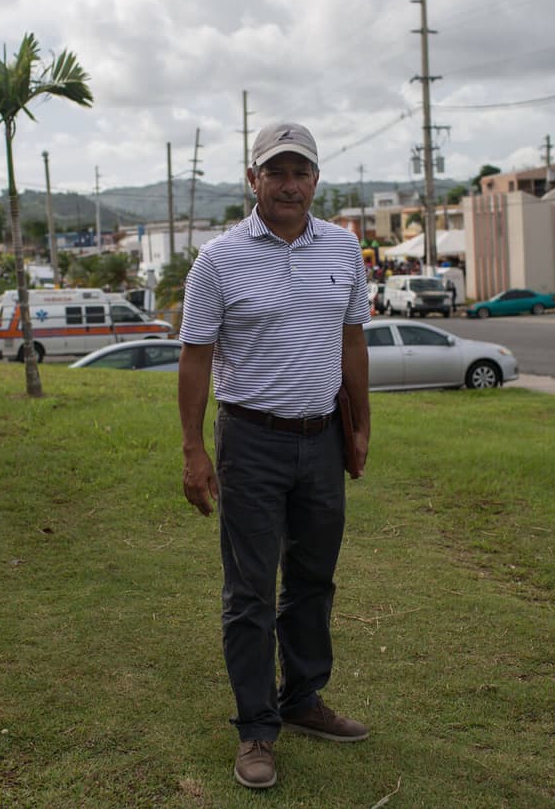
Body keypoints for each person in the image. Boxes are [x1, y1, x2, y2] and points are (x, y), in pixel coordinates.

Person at [177, 121, 372, 791]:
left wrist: (359, 425)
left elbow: (352, 343)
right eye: (276, 171)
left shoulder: (345, 250)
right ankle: (257, 727)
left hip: (320, 439)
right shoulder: (219, 260)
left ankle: (304, 700)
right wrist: (193, 447)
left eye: (301, 171)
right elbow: (196, 356)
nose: (290, 184)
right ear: (253, 180)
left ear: (316, 180)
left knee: (314, 579)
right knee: (251, 590)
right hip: (251, 441)